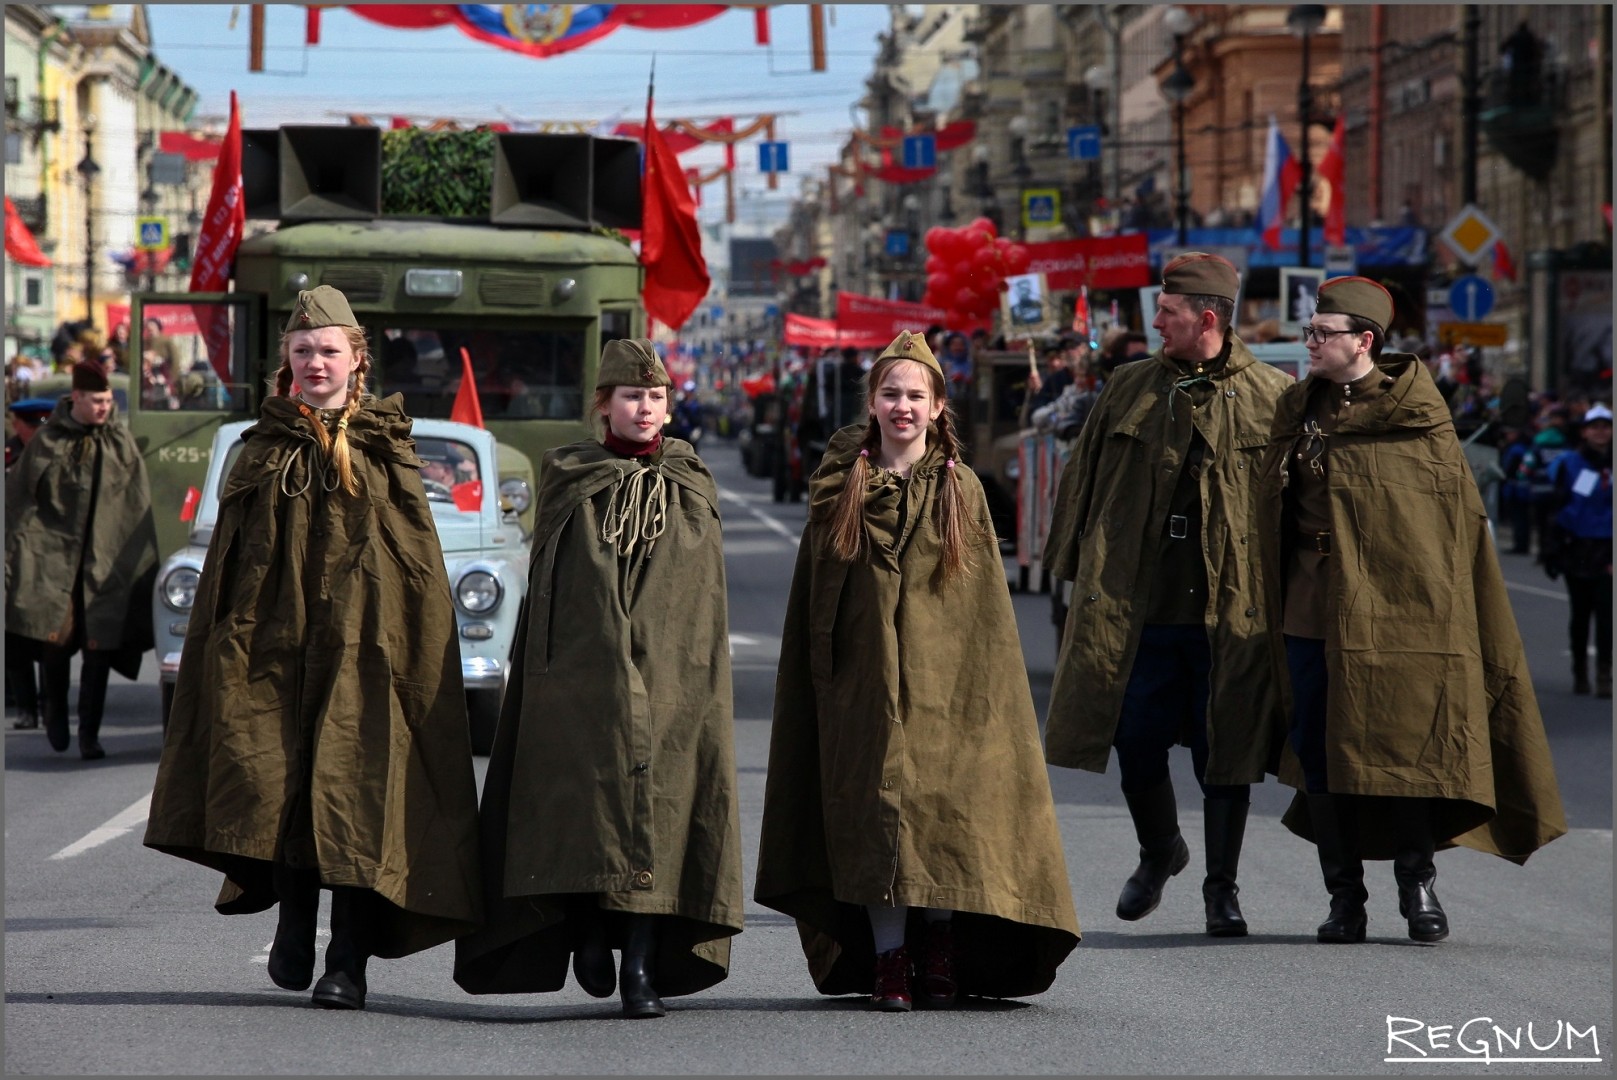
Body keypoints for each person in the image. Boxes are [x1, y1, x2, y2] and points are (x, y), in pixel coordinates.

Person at [144, 286, 483, 1011]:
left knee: (357, 799)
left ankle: (347, 960)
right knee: (279, 791)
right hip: (269, 655)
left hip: (365, 658)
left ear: (357, 360)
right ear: (286, 363)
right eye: (302, 352)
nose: (315, 362)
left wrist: (408, 660)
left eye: (329, 350)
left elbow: (416, 573)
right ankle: (295, 918)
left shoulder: (388, 449)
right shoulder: (257, 447)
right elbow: (229, 567)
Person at [755, 330, 1080, 1012]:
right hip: (863, 690)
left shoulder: (963, 489)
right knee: (876, 819)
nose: (902, 407)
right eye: (890, 394)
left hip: (949, 693)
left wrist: (981, 703)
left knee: (943, 818)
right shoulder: (836, 487)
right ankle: (888, 960)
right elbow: (813, 607)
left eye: (914, 396)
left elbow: (985, 619)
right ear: (871, 403)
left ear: (937, 407)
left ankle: (938, 950)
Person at [1257, 276, 1567, 944]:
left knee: (1403, 746)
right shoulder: (1296, 411)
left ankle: (1415, 880)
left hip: (1401, 613)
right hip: (1311, 603)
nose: (1307, 342)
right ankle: (1344, 899)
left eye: (1320, 333)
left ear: (1362, 340)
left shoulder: (1419, 419)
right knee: (1319, 753)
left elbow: (1451, 532)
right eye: (1308, 331)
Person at [455, 339, 743, 1020]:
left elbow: (699, 596)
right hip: (583, 678)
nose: (643, 408)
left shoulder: (691, 482)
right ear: (603, 405)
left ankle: (639, 961)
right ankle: (586, 927)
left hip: (673, 680)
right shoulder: (571, 477)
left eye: (654, 397)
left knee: (661, 814)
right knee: (585, 808)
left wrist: (678, 667)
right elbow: (558, 593)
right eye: (630, 396)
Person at [1043, 253, 1292, 937]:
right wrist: (1064, 574)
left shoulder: (1273, 395)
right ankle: (1159, 853)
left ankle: (1221, 889)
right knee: (1135, 739)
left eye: (1168, 314)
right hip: (1142, 606)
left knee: (1226, 749)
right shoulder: (1127, 388)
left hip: (1229, 608)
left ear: (1205, 319)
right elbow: (1082, 481)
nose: (1154, 323)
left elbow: (1297, 507)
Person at [4, 361, 157, 760]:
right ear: (77, 399)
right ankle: (54, 709)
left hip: (104, 562)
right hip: (53, 559)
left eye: (108, 400)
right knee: (55, 638)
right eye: (96, 401)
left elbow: (136, 504)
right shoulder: (48, 439)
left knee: (99, 646)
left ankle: (89, 733)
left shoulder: (119, 441)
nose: (104, 407)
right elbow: (21, 497)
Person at [1540, 402, 1613, 697]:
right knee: (1581, 614)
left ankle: (1604, 674)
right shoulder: (1570, 463)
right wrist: (1552, 549)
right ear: (1584, 432)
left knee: (1607, 614)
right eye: (1594, 427)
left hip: (1608, 548)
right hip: (1578, 547)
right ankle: (1580, 669)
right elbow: (1555, 507)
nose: (1601, 432)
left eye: (1606, 427)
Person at [4, 397, 56, 732]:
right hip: (11, 554)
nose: (38, 432)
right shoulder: (8, 456)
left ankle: (49, 702)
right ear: (18, 426)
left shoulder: (57, 454)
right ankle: (25, 707)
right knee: (15, 634)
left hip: (49, 555)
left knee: (50, 636)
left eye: (43, 425)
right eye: (32, 425)